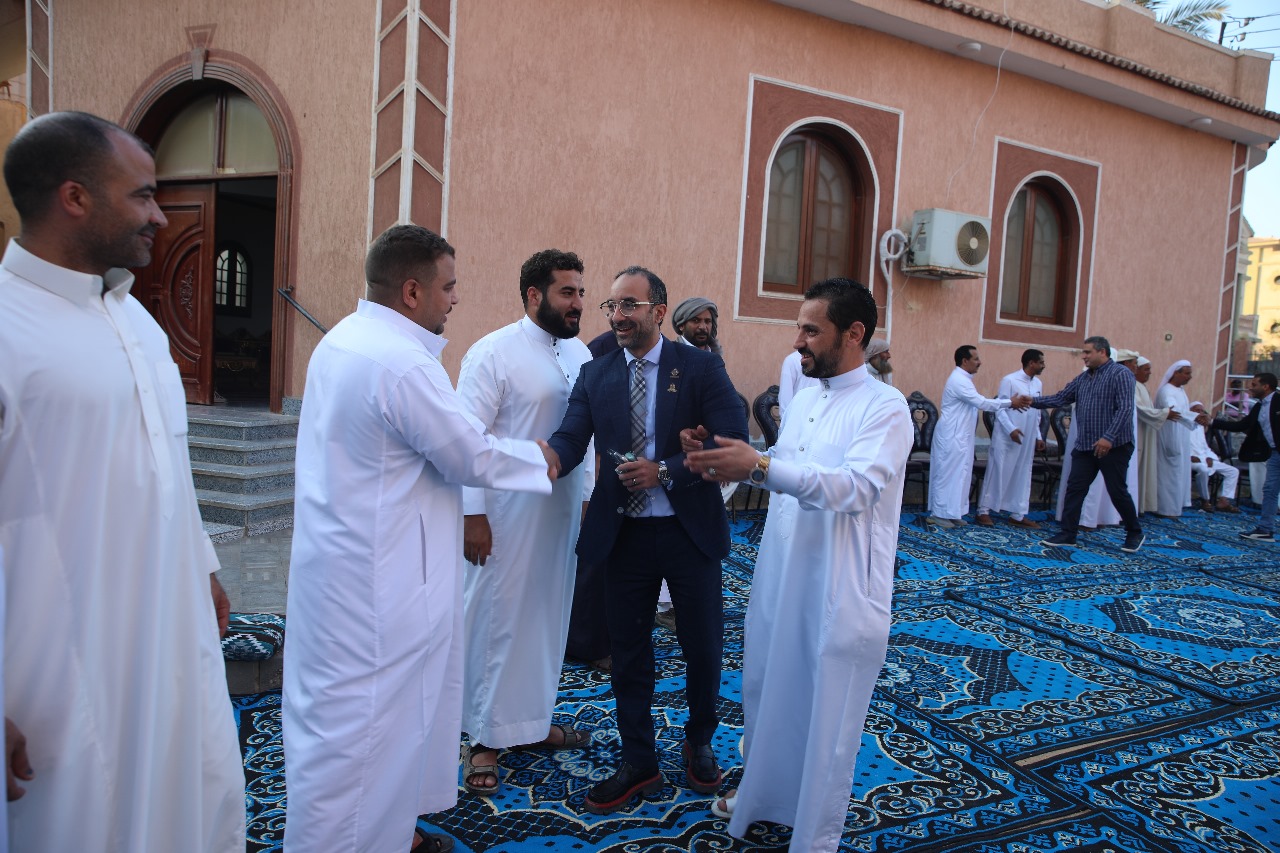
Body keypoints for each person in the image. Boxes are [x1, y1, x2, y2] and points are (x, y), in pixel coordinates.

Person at [0, 111, 244, 852]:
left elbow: (167, 464)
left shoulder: (137, 319)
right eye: (141, 196)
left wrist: (202, 564)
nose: (159, 216)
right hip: (52, 654)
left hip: (171, 622)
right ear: (74, 197)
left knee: (192, 789)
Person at [282, 225, 557, 853]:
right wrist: (539, 459)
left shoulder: (345, 339)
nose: (455, 299)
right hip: (382, 584)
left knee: (358, 724)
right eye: (448, 286)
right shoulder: (401, 363)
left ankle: (390, 832)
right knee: (368, 730)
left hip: (344, 568)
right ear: (411, 291)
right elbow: (467, 453)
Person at [681, 277, 911, 852]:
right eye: (799, 328)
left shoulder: (885, 407)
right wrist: (723, 458)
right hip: (782, 569)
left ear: (853, 334)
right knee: (767, 687)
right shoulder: (807, 396)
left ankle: (813, 833)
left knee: (825, 707)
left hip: (839, 583)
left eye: (811, 330)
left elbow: (855, 488)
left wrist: (758, 465)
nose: (798, 341)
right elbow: (786, 465)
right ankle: (764, 794)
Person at [546, 266, 748, 814]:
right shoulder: (596, 371)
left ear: (659, 311)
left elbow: (734, 436)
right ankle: (639, 759)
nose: (618, 315)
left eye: (629, 305)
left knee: (703, 647)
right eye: (611, 306)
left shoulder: (700, 367)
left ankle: (699, 741)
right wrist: (542, 459)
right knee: (628, 652)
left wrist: (667, 470)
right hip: (624, 535)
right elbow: (570, 436)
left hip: (689, 531)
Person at [456, 249, 594, 795]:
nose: (578, 302)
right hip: (504, 517)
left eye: (581, 292)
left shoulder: (580, 353)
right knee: (497, 620)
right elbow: (464, 440)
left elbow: (587, 437)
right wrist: (471, 514)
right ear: (534, 295)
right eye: (567, 292)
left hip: (559, 516)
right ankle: (483, 738)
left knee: (546, 617)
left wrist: (586, 497)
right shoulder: (492, 352)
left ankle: (530, 723)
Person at [1034, 336, 1145, 552]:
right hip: (1086, 445)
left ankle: (1134, 532)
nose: (1083, 356)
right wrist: (1031, 401)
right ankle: (1068, 533)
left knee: (1117, 490)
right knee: (1075, 489)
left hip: (1114, 446)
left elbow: (1125, 409)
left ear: (1102, 352)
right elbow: (1060, 398)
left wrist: (1108, 437)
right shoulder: (1083, 379)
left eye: (1087, 352)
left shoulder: (1121, 374)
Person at [927, 345, 1031, 527]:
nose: (979, 362)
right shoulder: (958, 380)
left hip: (961, 436)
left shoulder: (965, 379)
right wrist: (1009, 402)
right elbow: (981, 402)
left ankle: (953, 512)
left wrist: (1009, 403)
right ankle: (939, 513)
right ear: (964, 361)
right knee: (947, 473)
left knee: (961, 474)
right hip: (951, 436)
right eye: (975, 359)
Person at [976, 349, 1045, 528]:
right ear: (1031, 363)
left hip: (1027, 438)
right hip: (1007, 437)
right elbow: (1000, 408)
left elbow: (1037, 412)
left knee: (1023, 472)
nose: (1043, 366)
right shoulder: (1010, 380)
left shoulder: (1038, 383)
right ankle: (983, 511)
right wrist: (1011, 430)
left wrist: (1038, 436)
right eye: (1041, 362)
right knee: (998, 470)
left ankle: (1018, 514)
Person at [1211, 372, 1280, 542]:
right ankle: (1265, 530)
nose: (1250, 388)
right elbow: (1243, 425)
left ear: (1266, 386)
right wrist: (1212, 422)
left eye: (1254, 384)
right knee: (1269, 490)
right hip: (1274, 454)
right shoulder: (1259, 406)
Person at [1153, 360, 1206, 518]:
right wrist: (1196, 417)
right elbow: (1173, 411)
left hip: (1181, 437)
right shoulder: (1166, 391)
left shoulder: (1180, 390)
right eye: (1187, 373)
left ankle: (1175, 507)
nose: (1190, 376)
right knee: (1169, 474)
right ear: (1176, 373)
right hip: (1169, 437)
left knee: (1178, 472)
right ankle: (1165, 509)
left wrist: (1196, 417)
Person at [1130, 355, 1176, 514]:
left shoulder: (1142, 387)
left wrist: (1162, 414)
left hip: (1146, 433)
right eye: (1146, 369)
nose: (1149, 373)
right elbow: (1139, 409)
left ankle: (1139, 506)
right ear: (1136, 370)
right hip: (1137, 433)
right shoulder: (1132, 385)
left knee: (1143, 470)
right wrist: (1164, 414)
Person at [1187, 402, 1240, 512]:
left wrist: (1210, 457)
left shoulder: (1200, 427)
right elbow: (1179, 446)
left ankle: (1223, 501)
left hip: (1204, 458)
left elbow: (1205, 447)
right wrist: (1190, 457)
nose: (1200, 413)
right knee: (1203, 469)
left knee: (1233, 471)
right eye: (1197, 410)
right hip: (1190, 459)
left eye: (1202, 411)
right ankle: (1205, 500)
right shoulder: (1183, 425)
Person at [778, 348, 819, 415]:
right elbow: (785, 398)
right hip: (801, 415)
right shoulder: (792, 360)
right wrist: (786, 419)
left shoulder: (827, 359)